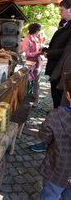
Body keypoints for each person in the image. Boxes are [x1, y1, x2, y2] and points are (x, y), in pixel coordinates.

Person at [29, 0, 71, 152]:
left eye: (62, 10)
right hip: (59, 73)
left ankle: (51, 142)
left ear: (70, 9)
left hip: (63, 75)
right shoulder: (65, 25)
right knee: (57, 105)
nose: (60, 13)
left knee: (60, 108)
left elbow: (65, 51)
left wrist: (50, 53)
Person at [38, 71, 71, 200]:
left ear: (67, 95)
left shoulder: (55, 116)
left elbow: (44, 137)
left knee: (50, 196)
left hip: (57, 169)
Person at [20, 23, 42, 106]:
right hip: (30, 64)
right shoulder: (27, 40)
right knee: (30, 82)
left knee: (36, 82)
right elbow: (25, 53)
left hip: (37, 63)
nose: (39, 32)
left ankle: (35, 99)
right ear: (36, 30)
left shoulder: (35, 38)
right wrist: (39, 52)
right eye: (39, 30)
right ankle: (26, 99)